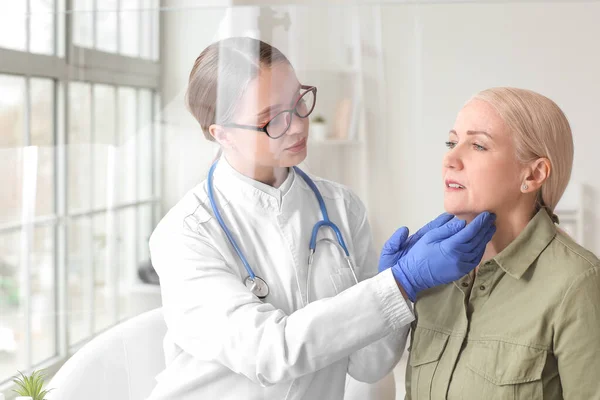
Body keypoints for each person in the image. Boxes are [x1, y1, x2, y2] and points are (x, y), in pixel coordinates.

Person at [146, 37, 495, 400]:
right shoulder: (184, 235)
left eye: (298, 102)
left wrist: (395, 293)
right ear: (223, 135)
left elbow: (368, 365)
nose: (298, 125)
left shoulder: (342, 207)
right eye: (272, 119)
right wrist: (398, 284)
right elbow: (268, 354)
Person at [401, 87, 600, 399]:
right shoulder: (431, 276)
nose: (451, 158)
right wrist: (393, 288)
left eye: (478, 145)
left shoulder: (578, 283)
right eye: (451, 142)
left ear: (533, 175)